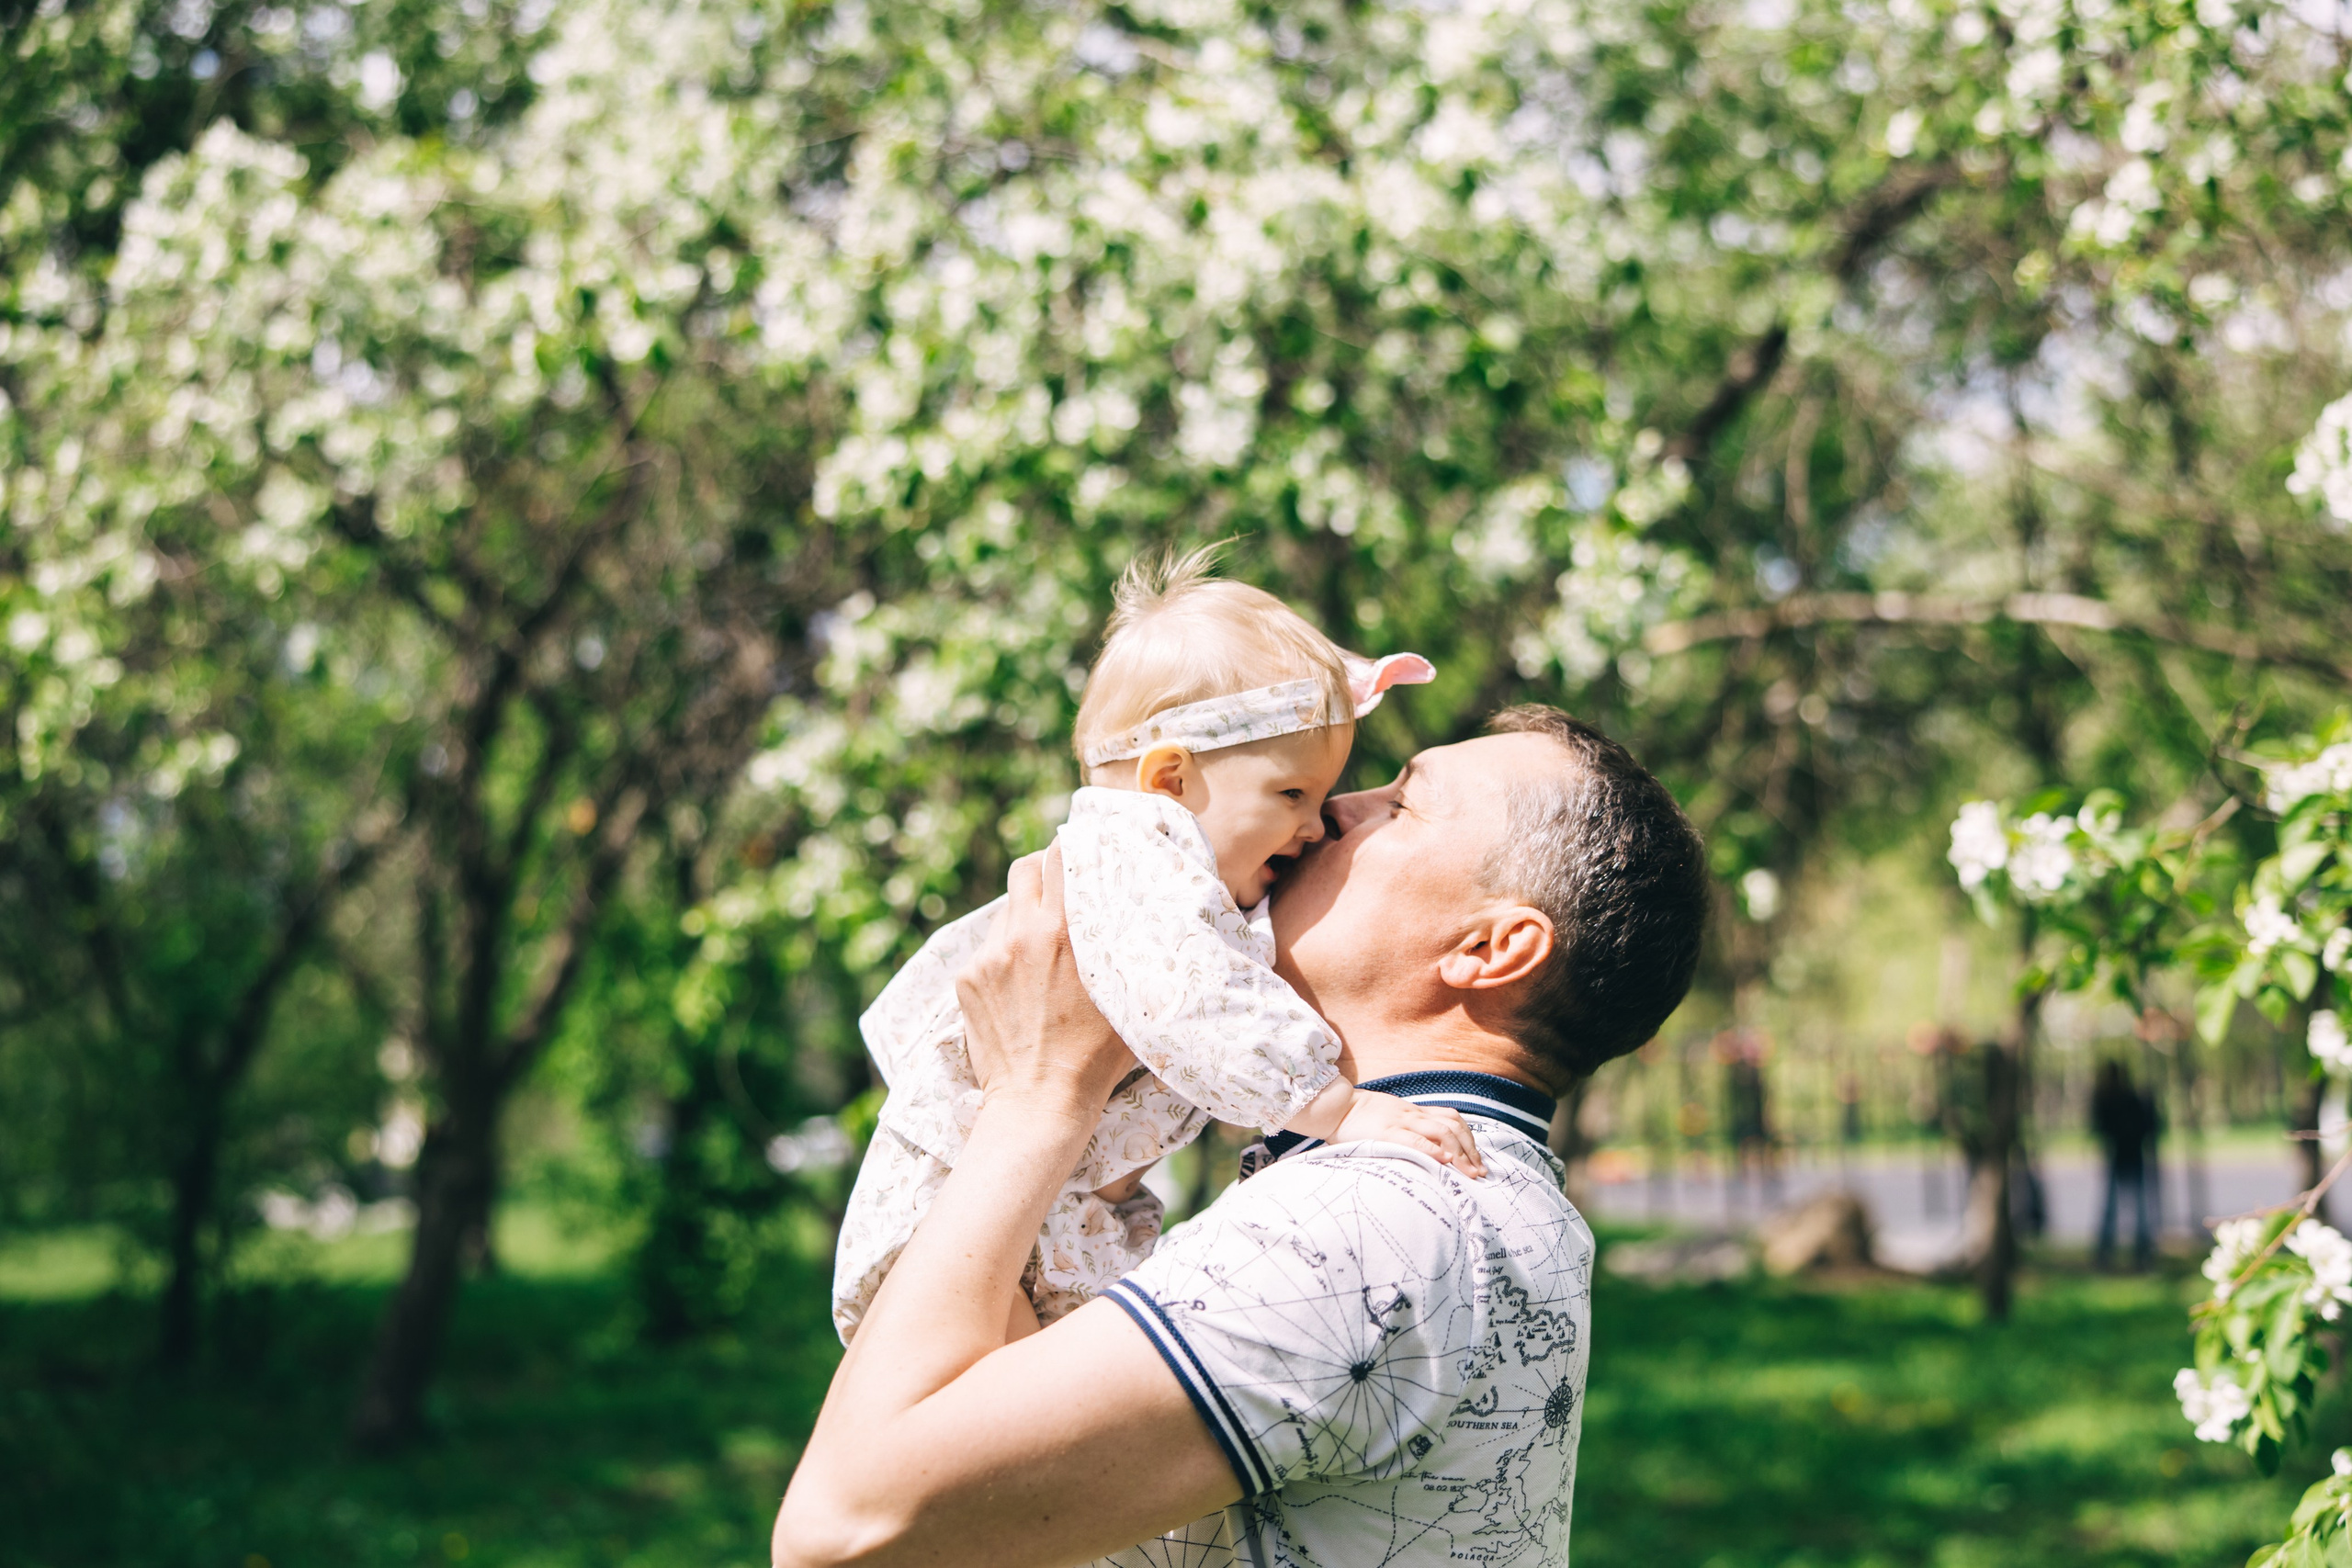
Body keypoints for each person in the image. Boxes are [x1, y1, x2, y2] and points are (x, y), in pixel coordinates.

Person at [773, 704, 1711, 1568]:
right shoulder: (1485, 1202)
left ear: (1489, 949)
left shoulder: (1367, 1223)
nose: (1333, 809)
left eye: (1400, 804)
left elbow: (842, 1529)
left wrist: (1037, 1094)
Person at [832, 550, 1474, 1342]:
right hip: (955, 1193)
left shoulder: (1184, 872)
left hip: (1040, 1204)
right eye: (1292, 793)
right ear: (1169, 780)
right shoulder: (1136, 855)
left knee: (1027, 1401)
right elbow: (1197, 996)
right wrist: (1339, 1107)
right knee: (971, 1387)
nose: (1316, 824)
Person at [2090, 1058, 2156, 1270]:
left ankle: (2136, 1250)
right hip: (2124, 1155)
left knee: (2131, 1207)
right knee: (2123, 1206)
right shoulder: (2117, 1099)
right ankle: (2116, 1250)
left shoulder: (2124, 1099)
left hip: (2128, 1155)